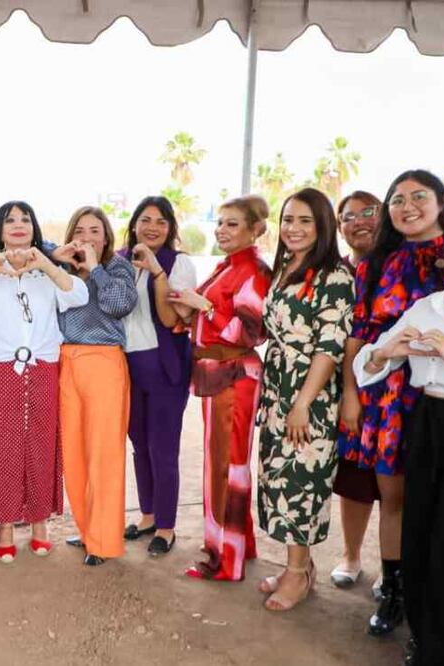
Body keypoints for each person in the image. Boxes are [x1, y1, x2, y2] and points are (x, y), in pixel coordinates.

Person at [354, 204, 444, 665]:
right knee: (419, 539)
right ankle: (425, 640)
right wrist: (383, 355)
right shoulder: (428, 305)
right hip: (428, 425)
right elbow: (368, 364)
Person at [336, 170, 444, 636]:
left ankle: (439, 593)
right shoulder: (375, 263)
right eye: (398, 199)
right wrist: (351, 393)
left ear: (442, 202)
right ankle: (395, 589)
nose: (407, 207)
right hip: (385, 392)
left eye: (419, 196)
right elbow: (357, 336)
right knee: (393, 496)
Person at [0, 201, 88, 562]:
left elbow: (78, 295)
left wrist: (45, 263)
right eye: (9, 220)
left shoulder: (47, 272)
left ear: (34, 229)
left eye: (25, 220)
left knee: (41, 442)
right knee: (1, 445)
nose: (18, 225)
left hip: (43, 367)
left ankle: (40, 521)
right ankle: (5, 524)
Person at [254, 189, 355, 611]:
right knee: (277, 478)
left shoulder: (335, 275)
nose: (293, 229)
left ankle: (297, 574)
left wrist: (302, 404)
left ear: (323, 227)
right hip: (278, 387)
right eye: (288, 220)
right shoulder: (287, 267)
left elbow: (330, 348)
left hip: (309, 393)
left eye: (305, 222)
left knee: (300, 482)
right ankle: (299, 565)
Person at [168, 195, 272, 582]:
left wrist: (205, 307)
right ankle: (236, 543)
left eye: (232, 224)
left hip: (233, 374)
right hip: (217, 372)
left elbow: (252, 331)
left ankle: (226, 560)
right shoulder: (228, 267)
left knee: (226, 466)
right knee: (224, 463)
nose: (222, 230)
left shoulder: (254, 271)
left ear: (255, 229)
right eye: (221, 223)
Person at [51, 206, 138, 566]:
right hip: (66, 361)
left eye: (95, 230)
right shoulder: (62, 269)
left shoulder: (117, 268)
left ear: (106, 237)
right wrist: (59, 259)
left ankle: (104, 542)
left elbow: (119, 305)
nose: (87, 237)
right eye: (81, 230)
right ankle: (87, 530)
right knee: (74, 453)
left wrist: (96, 270)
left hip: (103, 363)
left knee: (104, 454)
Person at [118, 196, 196, 556]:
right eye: (146, 220)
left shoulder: (178, 263)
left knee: (162, 448)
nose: (152, 227)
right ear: (134, 223)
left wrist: (156, 272)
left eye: (161, 222)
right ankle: (147, 515)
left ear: (170, 229)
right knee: (139, 446)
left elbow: (170, 319)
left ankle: (166, 525)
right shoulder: (118, 262)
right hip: (127, 366)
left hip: (165, 367)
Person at [330, 190, 382, 590]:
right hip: (347, 390)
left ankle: (394, 570)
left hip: (397, 393)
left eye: (369, 212)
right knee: (355, 480)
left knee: (398, 485)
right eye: (349, 216)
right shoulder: (339, 272)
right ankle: (350, 556)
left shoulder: (404, 266)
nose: (359, 221)